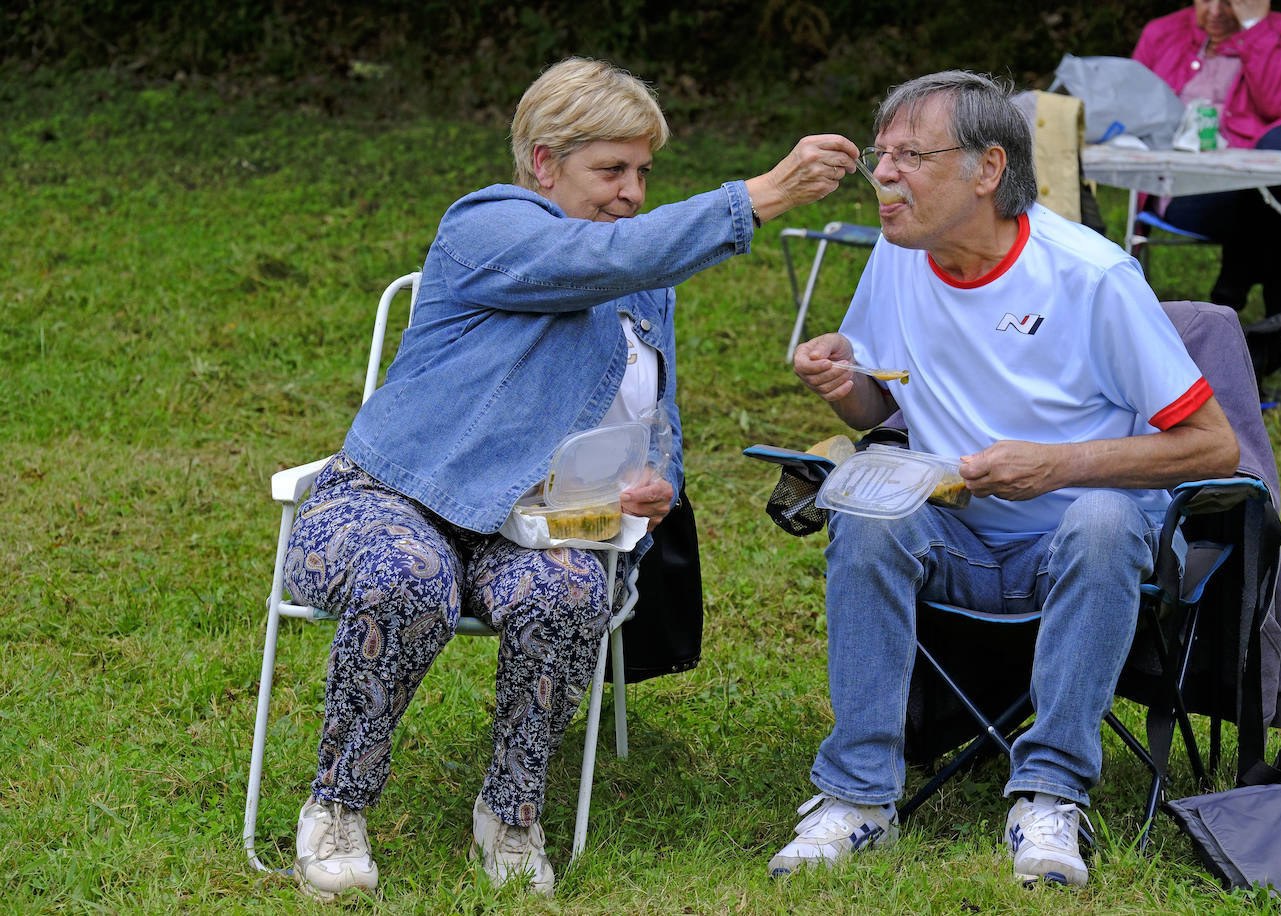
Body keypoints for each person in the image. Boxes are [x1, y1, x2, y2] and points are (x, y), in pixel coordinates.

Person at [282, 57, 858, 901]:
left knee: (564, 592)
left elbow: (656, 417)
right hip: (395, 499)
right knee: (408, 573)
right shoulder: (488, 226)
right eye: (610, 170)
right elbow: (597, 259)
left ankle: (510, 812)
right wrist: (761, 195)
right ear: (545, 163)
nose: (631, 191)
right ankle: (337, 805)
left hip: (544, 519)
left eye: (643, 172)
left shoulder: (639, 274)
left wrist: (656, 479)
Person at [771, 70, 1239, 887]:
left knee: (1100, 516)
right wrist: (847, 385)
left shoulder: (1090, 276)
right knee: (866, 505)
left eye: (910, 155)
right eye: (880, 155)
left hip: (1079, 547)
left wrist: (1058, 464)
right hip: (953, 535)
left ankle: (1051, 795)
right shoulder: (900, 254)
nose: (881, 174)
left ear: (988, 169)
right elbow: (881, 403)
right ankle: (858, 795)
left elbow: (1212, 447)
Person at [1132, 0, 1281, 369]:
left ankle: (1235, 280)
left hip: (1260, 180)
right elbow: (1130, 109)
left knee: (1277, 160)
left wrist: (1255, 26)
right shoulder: (1162, 34)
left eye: (1228, 1)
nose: (1214, 11)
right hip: (1184, 189)